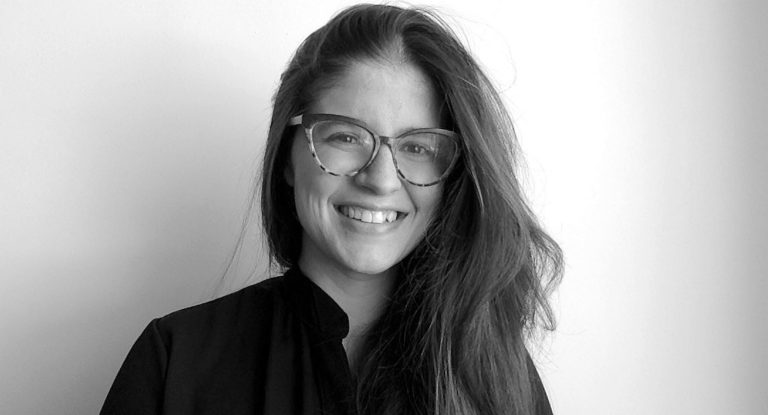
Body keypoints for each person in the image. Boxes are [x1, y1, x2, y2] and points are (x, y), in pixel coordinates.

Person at [101, 4, 562, 415]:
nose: (381, 179)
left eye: (418, 147)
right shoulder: (175, 360)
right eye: (345, 136)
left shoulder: (498, 376)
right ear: (287, 156)